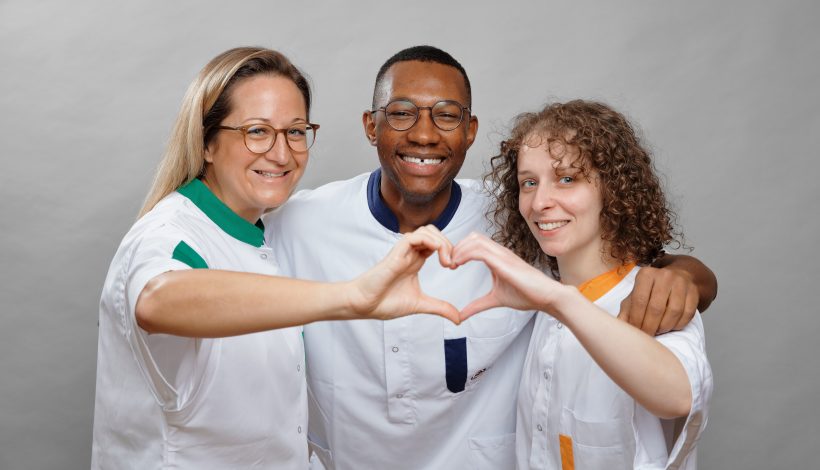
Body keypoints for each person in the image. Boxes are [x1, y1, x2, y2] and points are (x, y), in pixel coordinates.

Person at [265, 46, 717, 469]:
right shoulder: (299, 221)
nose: (424, 134)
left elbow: (628, 267)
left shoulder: (517, 236)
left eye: (446, 116)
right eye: (401, 114)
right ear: (371, 125)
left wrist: (687, 276)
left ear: (470, 131)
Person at [91, 47, 460, 470]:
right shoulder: (170, 233)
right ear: (206, 143)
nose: (282, 154)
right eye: (257, 132)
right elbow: (158, 298)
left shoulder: (265, 232)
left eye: (296, 131)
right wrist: (352, 297)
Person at [451, 100, 712, 468]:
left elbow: (678, 396)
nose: (540, 202)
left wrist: (558, 300)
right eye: (529, 182)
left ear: (613, 189)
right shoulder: (541, 284)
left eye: (567, 178)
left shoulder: (652, 295)